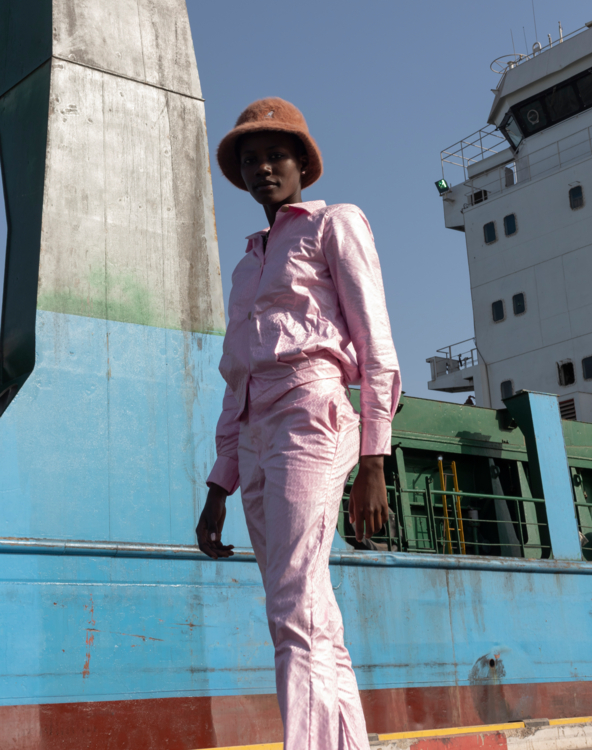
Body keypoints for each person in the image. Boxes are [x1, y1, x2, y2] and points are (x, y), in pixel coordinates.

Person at [196, 97, 401, 750]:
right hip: (256, 433)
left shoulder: (333, 224)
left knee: (291, 609)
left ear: (302, 164)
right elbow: (236, 382)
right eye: (250, 158)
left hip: (311, 414)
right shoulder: (245, 266)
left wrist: (373, 458)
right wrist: (217, 486)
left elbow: (377, 347)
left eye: (275, 154)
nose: (262, 167)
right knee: (309, 614)